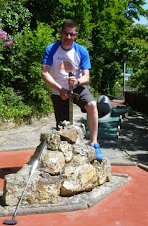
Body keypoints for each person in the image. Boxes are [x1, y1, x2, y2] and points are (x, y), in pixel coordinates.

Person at [41, 19, 104, 160]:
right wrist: (60, 89)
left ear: (76, 35)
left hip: (77, 87)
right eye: (66, 34)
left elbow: (86, 77)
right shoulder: (51, 49)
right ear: (60, 32)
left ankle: (94, 143)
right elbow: (44, 73)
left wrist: (77, 81)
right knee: (62, 129)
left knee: (92, 105)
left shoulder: (81, 51)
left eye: (72, 34)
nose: (68, 37)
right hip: (58, 90)